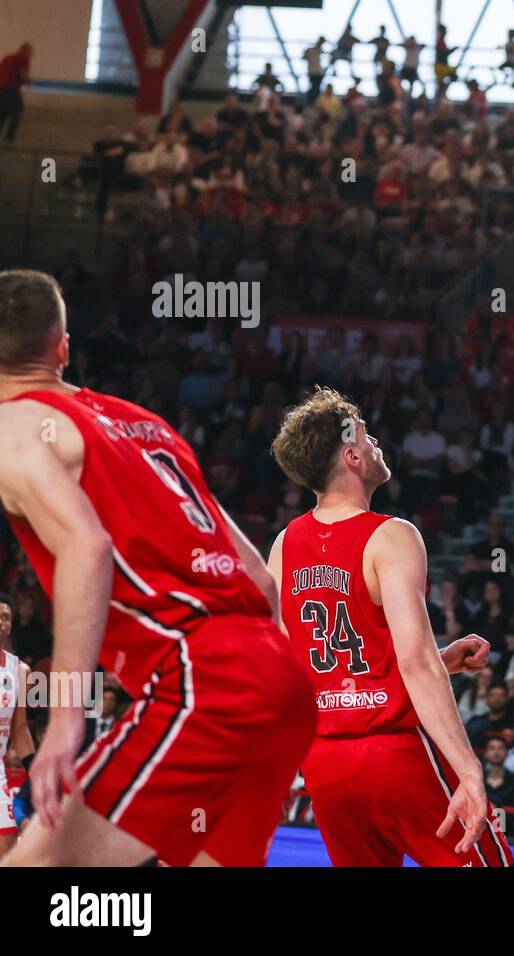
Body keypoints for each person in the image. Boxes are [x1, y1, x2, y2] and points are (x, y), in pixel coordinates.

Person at [0, 270, 315, 867]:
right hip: (282, 680)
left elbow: (86, 548)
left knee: (41, 864)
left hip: (204, 679)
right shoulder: (150, 426)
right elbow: (262, 579)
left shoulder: (13, 424)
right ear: (62, 348)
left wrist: (66, 717)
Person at [268, 387, 511, 867]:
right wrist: (469, 770)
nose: (377, 441)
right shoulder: (391, 534)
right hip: (393, 753)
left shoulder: (283, 545)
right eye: (366, 433)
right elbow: (415, 662)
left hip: (325, 763)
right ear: (353, 455)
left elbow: (296, 673)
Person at [0, 644, 34, 853]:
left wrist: (36, 773)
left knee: (9, 853)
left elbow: (20, 732)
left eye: (5, 617)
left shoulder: (19, 669)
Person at [0, 43, 32, 143]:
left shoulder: (8, 57)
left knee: (2, 114)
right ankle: (9, 139)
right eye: (30, 53)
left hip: (1, 90)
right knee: (16, 113)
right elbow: (23, 75)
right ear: (26, 51)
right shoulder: (23, 59)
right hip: (11, 91)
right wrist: (28, 81)